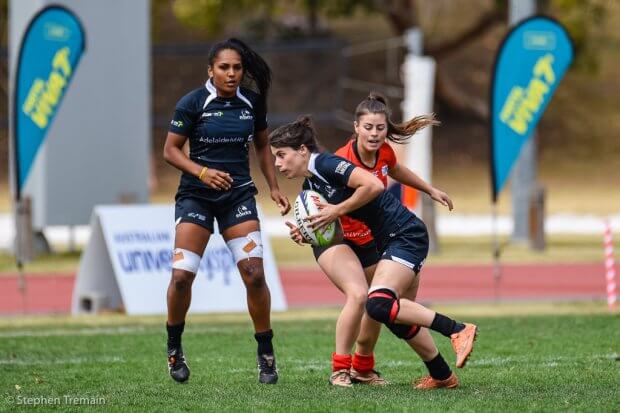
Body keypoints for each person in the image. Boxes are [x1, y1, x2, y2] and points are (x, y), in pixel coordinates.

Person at [270, 115, 477, 388]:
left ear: (303, 150)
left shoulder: (326, 163)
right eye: (275, 157)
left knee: (378, 304)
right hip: (389, 239)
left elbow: (374, 185)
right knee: (394, 316)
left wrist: (335, 211)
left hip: (405, 235)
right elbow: (334, 226)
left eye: (282, 155)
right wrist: (308, 232)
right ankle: (442, 376)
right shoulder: (311, 184)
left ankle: (458, 329)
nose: (277, 163)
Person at [163, 38, 290, 385]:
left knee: (254, 275)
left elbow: (263, 144)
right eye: (224, 67)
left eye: (236, 68)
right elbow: (170, 151)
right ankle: (174, 347)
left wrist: (274, 187)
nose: (231, 74)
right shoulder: (192, 103)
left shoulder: (252, 103)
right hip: (196, 197)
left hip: (238, 197)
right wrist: (202, 172)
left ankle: (265, 354)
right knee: (181, 277)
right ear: (211, 70)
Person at [332, 92, 462, 389]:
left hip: (383, 242)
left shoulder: (385, 152)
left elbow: (396, 169)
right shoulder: (341, 161)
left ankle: (369, 367)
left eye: (380, 128)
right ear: (356, 127)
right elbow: (319, 193)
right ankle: (354, 367)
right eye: (368, 127)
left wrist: (430, 189)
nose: (375, 134)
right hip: (354, 244)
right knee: (384, 309)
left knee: (391, 312)